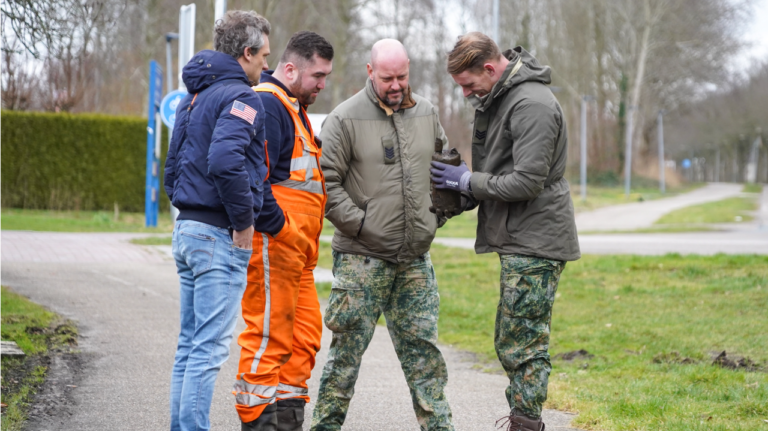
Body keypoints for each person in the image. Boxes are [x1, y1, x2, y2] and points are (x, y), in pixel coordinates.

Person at [430, 32, 580, 431]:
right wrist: (459, 193)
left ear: (491, 69)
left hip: (537, 238)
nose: (465, 94)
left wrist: (467, 182)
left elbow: (526, 182)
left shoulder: (531, 105)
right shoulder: (501, 99)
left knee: (523, 342)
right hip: (520, 236)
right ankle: (524, 419)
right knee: (512, 337)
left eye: (468, 84)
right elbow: (497, 170)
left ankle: (526, 424)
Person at [311, 39, 454, 431]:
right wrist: (360, 225)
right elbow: (326, 183)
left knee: (425, 360)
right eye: (387, 77)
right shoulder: (343, 119)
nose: (396, 85)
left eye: (402, 76)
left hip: (414, 262)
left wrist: (436, 216)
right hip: (361, 261)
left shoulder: (426, 112)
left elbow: (442, 168)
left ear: (409, 68)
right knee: (344, 363)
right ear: (370, 72)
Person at [163, 10, 272, 431]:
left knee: (190, 346)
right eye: (263, 55)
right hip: (217, 237)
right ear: (246, 53)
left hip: (187, 230)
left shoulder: (194, 97)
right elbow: (225, 160)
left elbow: (172, 171)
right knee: (208, 350)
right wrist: (243, 223)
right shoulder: (242, 97)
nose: (267, 64)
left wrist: (191, 208)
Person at [233, 31, 334, 431]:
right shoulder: (267, 104)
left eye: (326, 76)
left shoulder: (295, 109)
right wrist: (284, 230)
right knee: (268, 339)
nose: (322, 85)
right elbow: (253, 178)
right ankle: (256, 423)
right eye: (317, 76)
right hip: (277, 246)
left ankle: (287, 422)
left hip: (300, 254)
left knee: (303, 339)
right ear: (289, 68)